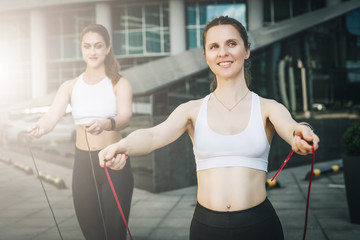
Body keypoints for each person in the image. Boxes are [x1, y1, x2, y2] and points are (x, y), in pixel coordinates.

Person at [98, 16, 320, 240]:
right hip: (206, 228)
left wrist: (301, 133)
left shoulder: (268, 108)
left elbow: (292, 127)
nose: (223, 52)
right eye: (214, 46)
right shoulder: (192, 110)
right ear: (206, 56)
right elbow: (153, 135)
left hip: (259, 226)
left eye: (232, 43)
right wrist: (123, 145)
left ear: (247, 50)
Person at [27, 24, 134, 240]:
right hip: (83, 163)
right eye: (87, 46)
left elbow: (125, 118)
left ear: (108, 48)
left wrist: (106, 124)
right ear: (81, 49)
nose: (92, 52)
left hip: (114, 161)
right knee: (91, 231)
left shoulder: (119, 83)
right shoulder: (70, 86)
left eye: (98, 46)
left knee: (114, 233)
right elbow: (51, 116)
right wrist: (40, 127)